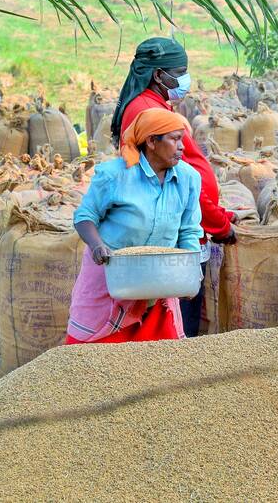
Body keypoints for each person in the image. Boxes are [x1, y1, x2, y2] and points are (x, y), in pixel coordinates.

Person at [111, 37, 236, 337]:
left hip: (180, 229)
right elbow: (178, 182)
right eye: (180, 72)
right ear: (158, 75)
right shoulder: (146, 111)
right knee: (177, 329)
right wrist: (219, 224)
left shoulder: (150, 105)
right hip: (174, 241)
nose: (185, 79)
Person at [67, 109, 204, 344]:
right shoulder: (115, 175)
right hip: (111, 277)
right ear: (151, 142)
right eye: (175, 139)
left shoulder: (188, 178)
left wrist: (189, 274)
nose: (182, 147)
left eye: (182, 139)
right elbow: (84, 216)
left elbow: (189, 230)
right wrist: (97, 246)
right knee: (93, 357)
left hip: (159, 282)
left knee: (157, 357)